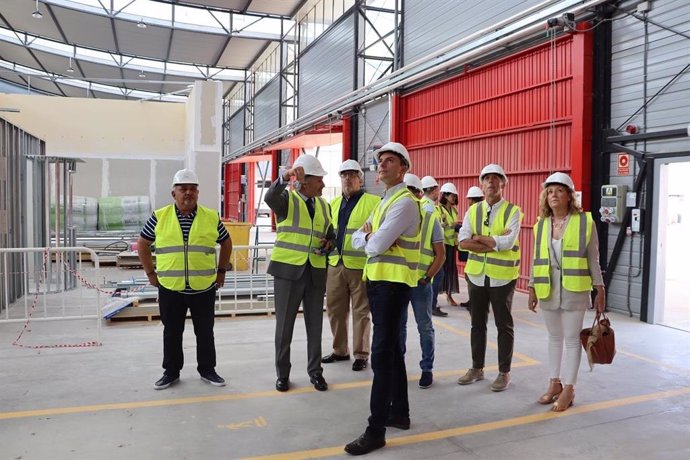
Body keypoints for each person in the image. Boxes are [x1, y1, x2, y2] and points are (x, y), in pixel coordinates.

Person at [344, 142, 421, 456]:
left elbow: (373, 245)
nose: (382, 166)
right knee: (391, 353)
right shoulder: (383, 202)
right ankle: (399, 413)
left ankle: (375, 430)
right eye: (379, 162)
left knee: (381, 355)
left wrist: (369, 237)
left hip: (392, 286)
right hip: (379, 285)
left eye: (390, 161)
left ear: (403, 168)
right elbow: (356, 237)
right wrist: (368, 236)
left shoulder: (404, 202)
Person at [138, 169, 232, 390]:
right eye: (183, 189)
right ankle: (171, 372)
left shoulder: (210, 216)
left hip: (203, 287)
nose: (188, 193)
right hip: (171, 288)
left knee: (205, 331)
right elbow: (142, 243)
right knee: (171, 332)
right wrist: (150, 273)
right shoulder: (160, 216)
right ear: (174, 193)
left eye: (192, 189)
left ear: (198, 193)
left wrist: (221, 271)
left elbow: (226, 242)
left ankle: (208, 370)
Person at [528, 172, 605, 412]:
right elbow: (536, 258)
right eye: (550, 191)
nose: (554, 195)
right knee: (553, 338)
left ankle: (569, 389)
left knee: (572, 340)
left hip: (575, 289)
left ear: (569, 195)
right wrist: (531, 287)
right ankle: (554, 384)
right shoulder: (541, 225)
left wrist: (599, 289)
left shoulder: (585, 222)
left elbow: (594, 259)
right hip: (547, 288)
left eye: (559, 190)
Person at [264, 154, 335, 393]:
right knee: (284, 328)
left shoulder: (324, 206)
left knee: (315, 327)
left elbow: (330, 233)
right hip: (287, 272)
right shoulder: (287, 200)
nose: (323, 185)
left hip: (315, 272)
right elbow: (269, 196)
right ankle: (282, 374)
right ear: (306, 181)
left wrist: (329, 243)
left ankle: (315, 372)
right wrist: (285, 176)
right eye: (319, 180)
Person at [457, 164, 522, 392]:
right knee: (477, 324)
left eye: (496, 179)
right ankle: (477, 367)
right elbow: (462, 242)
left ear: (503, 183)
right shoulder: (472, 211)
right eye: (487, 179)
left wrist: (479, 237)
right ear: (481, 184)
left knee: (503, 325)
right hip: (476, 276)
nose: (491, 183)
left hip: (502, 278)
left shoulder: (513, 211)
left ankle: (504, 372)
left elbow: (507, 242)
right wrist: (491, 241)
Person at [323, 160, 380, 372]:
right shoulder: (333, 204)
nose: (348, 178)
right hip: (335, 264)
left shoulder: (373, 202)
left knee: (361, 311)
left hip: (359, 265)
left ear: (360, 178)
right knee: (335, 310)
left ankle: (361, 353)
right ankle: (340, 350)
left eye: (352, 175)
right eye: (344, 175)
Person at [401, 173, 445, 389]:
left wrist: (428, 277)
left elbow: (440, 254)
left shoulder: (430, 218)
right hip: (399, 282)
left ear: (420, 194)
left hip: (420, 283)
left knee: (424, 326)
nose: (408, 196)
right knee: (398, 327)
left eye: (412, 191)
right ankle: (397, 366)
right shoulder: (394, 216)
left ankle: (426, 368)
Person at [421, 176, 448, 317]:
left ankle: (432, 304)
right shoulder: (427, 206)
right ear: (433, 190)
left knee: (437, 276)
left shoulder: (429, 204)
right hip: (432, 249)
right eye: (437, 189)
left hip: (433, 248)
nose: (439, 193)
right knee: (436, 276)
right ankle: (431, 305)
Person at [458, 186, 485, 309]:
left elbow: (466, 233)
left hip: (473, 249)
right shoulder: (486, 209)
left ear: (471, 199)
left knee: (471, 278)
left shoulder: (472, 211)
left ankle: (475, 303)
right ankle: (474, 302)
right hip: (483, 247)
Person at [439, 182, 460, 306]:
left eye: (455, 196)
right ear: (446, 196)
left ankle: (449, 295)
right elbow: (438, 225)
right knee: (441, 270)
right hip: (443, 244)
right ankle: (435, 296)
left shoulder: (454, 210)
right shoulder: (439, 209)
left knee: (451, 269)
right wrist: (447, 225)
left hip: (452, 244)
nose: (454, 198)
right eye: (452, 195)